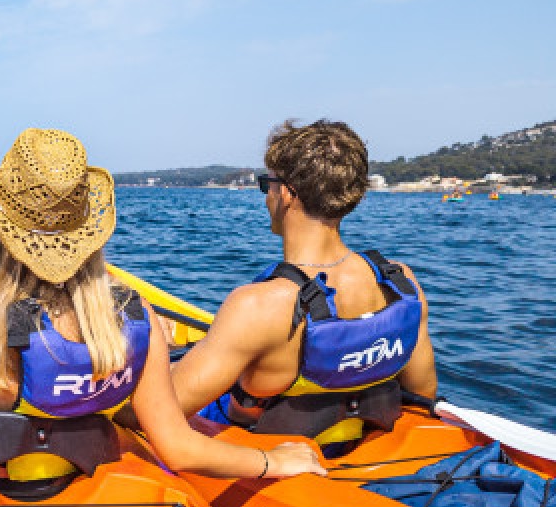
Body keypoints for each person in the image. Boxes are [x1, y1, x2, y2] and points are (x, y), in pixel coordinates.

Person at [0, 128, 324, 481]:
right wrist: (273, 462)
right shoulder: (137, 318)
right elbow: (178, 448)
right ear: (90, 240)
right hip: (85, 467)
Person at [171, 119, 438, 455]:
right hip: (364, 450)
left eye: (266, 184)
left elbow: (161, 411)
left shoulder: (259, 306)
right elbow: (422, 392)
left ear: (286, 193)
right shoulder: (401, 283)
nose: (267, 196)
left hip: (264, 459)